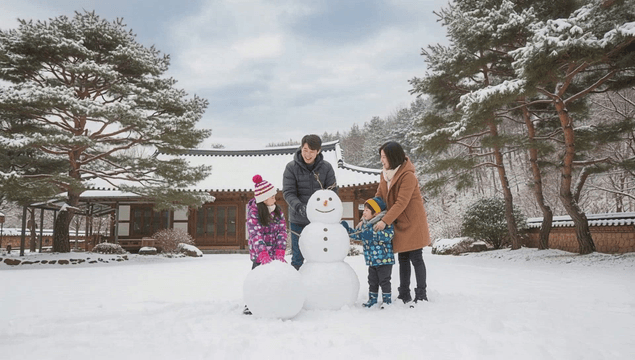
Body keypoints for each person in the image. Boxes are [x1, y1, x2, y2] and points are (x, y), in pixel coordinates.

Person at [373, 141, 431, 306]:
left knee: (416, 258)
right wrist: (371, 209)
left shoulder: (408, 176)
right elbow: (380, 195)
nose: (382, 160)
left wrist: (384, 221)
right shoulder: (385, 174)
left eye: (384, 157)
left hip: (412, 222)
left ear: (392, 157)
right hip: (398, 221)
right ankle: (403, 293)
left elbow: (401, 203)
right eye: (381, 157)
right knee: (403, 258)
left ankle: (421, 294)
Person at [283, 134, 337, 270]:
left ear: (318, 151)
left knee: (321, 255)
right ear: (301, 148)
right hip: (298, 220)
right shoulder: (291, 168)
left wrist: (325, 206)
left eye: (312, 151)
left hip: (320, 221)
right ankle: (295, 287)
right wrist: (299, 207)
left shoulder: (326, 168)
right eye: (305, 150)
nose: (307, 154)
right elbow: (288, 192)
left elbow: (332, 191)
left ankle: (319, 286)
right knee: (297, 258)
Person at [244, 174, 288, 315]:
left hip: (275, 253)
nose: (275, 199)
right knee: (257, 280)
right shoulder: (254, 213)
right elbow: (255, 235)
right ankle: (250, 304)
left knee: (276, 279)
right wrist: (262, 254)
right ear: (263, 199)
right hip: (259, 255)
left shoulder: (278, 212)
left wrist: (280, 251)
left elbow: (282, 231)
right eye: (272, 196)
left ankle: (276, 302)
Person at [341, 196, 395, 308]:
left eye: (367, 210)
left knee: (384, 280)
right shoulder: (364, 225)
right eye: (364, 210)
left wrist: (373, 234)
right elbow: (358, 235)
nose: (364, 212)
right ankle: (372, 299)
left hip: (384, 259)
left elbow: (389, 236)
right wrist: (348, 230)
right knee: (372, 280)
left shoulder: (383, 223)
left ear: (375, 213)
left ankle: (387, 301)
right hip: (371, 260)